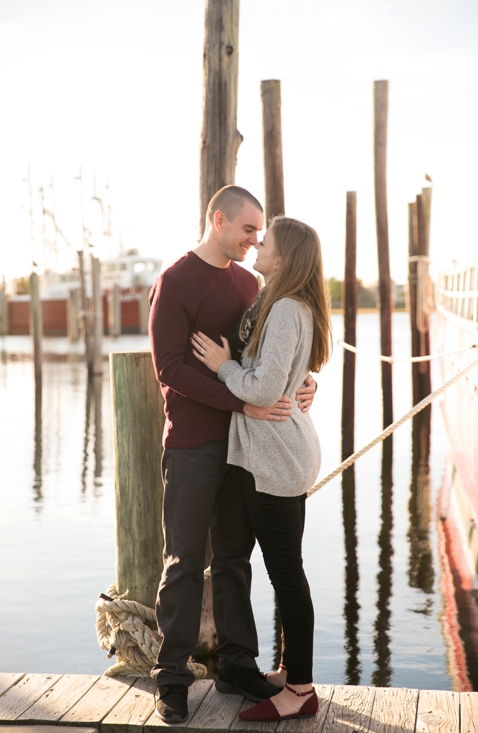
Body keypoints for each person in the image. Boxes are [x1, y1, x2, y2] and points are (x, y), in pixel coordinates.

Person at [149, 186, 317, 723]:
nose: (255, 239)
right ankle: (172, 674)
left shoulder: (251, 284)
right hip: (197, 443)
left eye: (260, 233)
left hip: (250, 451)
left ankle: (236, 665)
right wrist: (241, 403)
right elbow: (169, 368)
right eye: (248, 229)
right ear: (218, 220)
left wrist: (304, 380)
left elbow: (265, 356)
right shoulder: (174, 282)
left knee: (234, 560)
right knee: (184, 561)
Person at [191, 215, 331, 722]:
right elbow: (286, 375)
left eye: (265, 241)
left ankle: (300, 690)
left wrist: (221, 366)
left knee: (287, 576)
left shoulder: (288, 309)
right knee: (249, 560)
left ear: (284, 257)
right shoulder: (278, 304)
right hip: (262, 456)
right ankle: (276, 670)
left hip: (277, 458)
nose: (258, 245)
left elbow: (263, 388)